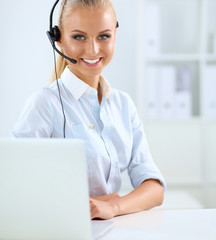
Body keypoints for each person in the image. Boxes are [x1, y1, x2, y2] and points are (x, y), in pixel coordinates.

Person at [11, 0, 166, 220]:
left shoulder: (123, 105)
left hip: (113, 229)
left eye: (104, 36)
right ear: (59, 39)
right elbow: (13, 184)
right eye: (79, 37)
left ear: (115, 36)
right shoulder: (45, 105)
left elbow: (154, 188)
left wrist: (114, 206)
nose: (93, 49)